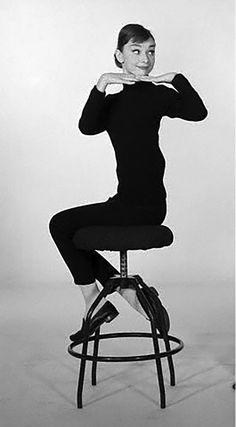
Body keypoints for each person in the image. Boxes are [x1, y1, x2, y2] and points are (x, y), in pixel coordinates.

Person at [49, 23, 208, 341]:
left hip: (147, 206)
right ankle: (130, 296)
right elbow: (87, 126)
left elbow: (197, 112)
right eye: (136, 50)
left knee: (61, 225)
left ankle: (98, 302)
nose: (146, 58)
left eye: (150, 51)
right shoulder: (111, 102)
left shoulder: (158, 96)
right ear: (118, 56)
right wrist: (101, 85)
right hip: (123, 203)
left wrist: (176, 80)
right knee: (67, 229)